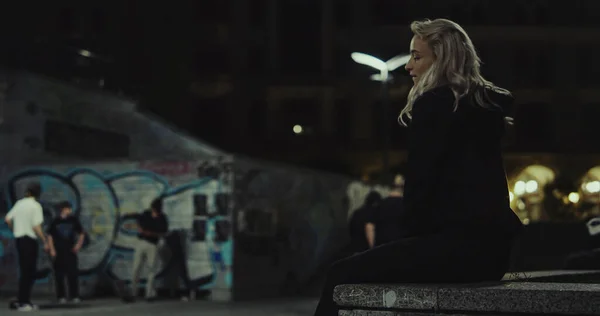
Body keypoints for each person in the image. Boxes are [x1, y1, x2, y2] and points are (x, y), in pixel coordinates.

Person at [313, 18, 523, 316]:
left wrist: (405, 243)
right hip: (495, 254)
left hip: (454, 249)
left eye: (417, 56)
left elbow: (421, 184)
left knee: (339, 273)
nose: (409, 66)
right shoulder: (486, 106)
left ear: (442, 59)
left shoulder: (435, 103)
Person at [4, 183, 48, 312]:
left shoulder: (19, 204)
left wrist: (15, 230)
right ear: (38, 193)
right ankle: (24, 302)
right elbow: (36, 227)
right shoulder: (35, 206)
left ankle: (23, 300)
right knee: (29, 272)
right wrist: (44, 239)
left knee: (25, 271)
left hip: (19, 240)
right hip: (29, 240)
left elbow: (7, 219)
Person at [47, 201, 85, 304]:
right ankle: (61, 296)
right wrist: (52, 249)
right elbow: (50, 236)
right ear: (63, 209)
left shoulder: (73, 220)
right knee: (59, 275)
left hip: (70, 251)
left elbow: (81, 233)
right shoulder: (55, 221)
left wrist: (78, 245)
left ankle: (75, 296)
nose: (70, 210)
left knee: (72, 274)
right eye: (68, 208)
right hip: (59, 252)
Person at [131, 198, 168, 301]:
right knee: (136, 267)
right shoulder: (146, 214)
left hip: (153, 244)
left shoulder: (162, 218)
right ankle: (133, 292)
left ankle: (149, 293)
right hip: (141, 242)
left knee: (151, 269)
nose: (155, 211)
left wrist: (151, 234)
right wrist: (140, 229)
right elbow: (138, 222)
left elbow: (164, 232)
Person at [367, 175, 405, 248]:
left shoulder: (379, 204)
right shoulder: (406, 204)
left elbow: (369, 226)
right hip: (401, 249)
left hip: (382, 249)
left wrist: (372, 248)